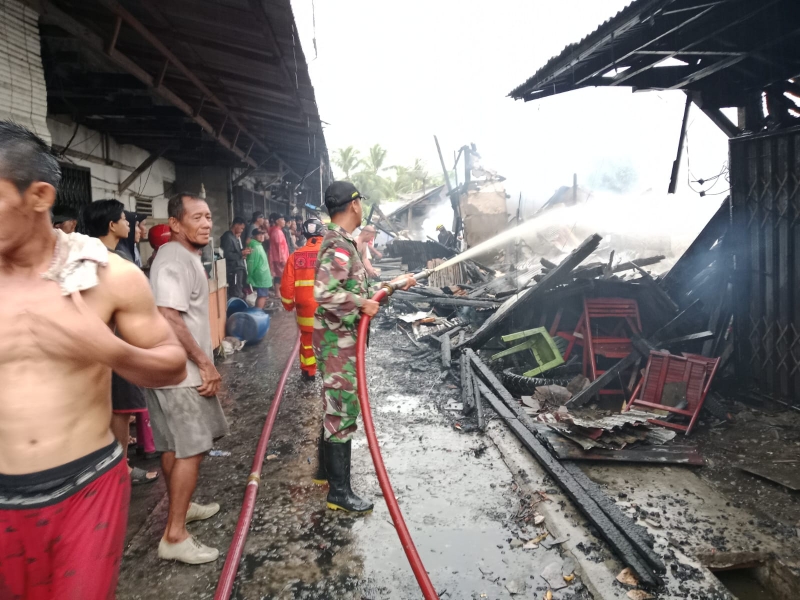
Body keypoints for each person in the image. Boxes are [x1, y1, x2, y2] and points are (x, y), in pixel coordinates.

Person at [0, 121, 187, 599]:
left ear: (39, 196)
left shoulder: (106, 277)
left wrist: (107, 349)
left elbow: (172, 365)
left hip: (85, 488)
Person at [313, 181, 415, 514]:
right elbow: (325, 293)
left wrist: (395, 284)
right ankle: (339, 493)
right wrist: (361, 305)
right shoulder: (338, 245)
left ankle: (323, 473)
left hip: (339, 341)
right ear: (354, 204)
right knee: (343, 409)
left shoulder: (343, 242)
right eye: (359, 203)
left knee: (335, 403)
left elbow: (361, 286)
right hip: (338, 343)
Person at [145, 192, 230, 564]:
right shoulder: (175, 258)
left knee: (173, 446)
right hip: (180, 372)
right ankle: (175, 535)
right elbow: (168, 314)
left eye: (208, 216)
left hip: (170, 368)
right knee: (192, 448)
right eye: (196, 217)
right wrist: (205, 363)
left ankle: (184, 507)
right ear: (175, 224)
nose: (206, 223)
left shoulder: (183, 256)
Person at [81, 200, 160, 486]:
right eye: (125, 220)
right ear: (112, 225)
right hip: (118, 347)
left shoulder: (86, 257)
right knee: (122, 409)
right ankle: (120, 468)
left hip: (98, 347)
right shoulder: (115, 261)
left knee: (113, 407)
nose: (131, 225)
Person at [280, 218, 324, 382]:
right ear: (322, 232)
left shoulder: (295, 256)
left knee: (307, 340)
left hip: (305, 308)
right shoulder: (332, 254)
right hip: (330, 307)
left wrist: (289, 304)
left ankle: (309, 372)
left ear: (304, 234)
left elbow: (287, 286)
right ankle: (331, 373)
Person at [220, 217, 249, 299]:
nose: (242, 231)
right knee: (235, 292)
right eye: (241, 228)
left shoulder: (234, 237)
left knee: (239, 289)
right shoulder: (228, 236)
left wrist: (242, 253)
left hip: (238, 267)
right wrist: (241, 253)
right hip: (233, 269)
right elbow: (227, 254)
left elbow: (235, 252)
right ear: (236, 225)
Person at [246, 228, 273, 310]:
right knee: (262, 296)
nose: (262, 236)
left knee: (262, 295)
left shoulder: (258, 245)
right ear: (254, 236)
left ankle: (258, 313)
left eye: (262, 234)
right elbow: (251, 264)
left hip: (263, 276)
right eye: (259, 234)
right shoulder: (255, 247)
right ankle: (258, 314)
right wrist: (250, 276)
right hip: (261, 276)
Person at [268, 212, 289, 295]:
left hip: (278, 257)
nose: (284, 221)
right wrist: (283, 259)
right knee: (279, 276)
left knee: (279, 275)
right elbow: (279, 248)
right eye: (282, 219)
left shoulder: (277, 231)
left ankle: (278, 292)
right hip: (279, 258)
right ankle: (277, 293)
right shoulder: (277, 232)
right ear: (277, 221)